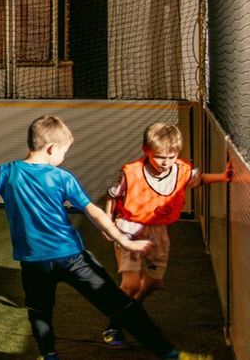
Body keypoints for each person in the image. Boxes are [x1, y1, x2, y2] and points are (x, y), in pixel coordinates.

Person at [0, 115, 210, 360]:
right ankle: (168, 354)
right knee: (119, 305)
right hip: (72, 258)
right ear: (52, 148)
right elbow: (93, 211)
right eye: (64, 151)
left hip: (33, 262)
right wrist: (124, 240)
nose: (63, 157)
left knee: (39, 311)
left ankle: (49, 355)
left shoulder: (7, 171)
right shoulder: (62, 177)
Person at [100, 123, 235, 349]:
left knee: (154, 283)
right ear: (146, 150)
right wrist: (107, 223)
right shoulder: (130, 172)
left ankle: (131, 311)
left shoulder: (181, 169)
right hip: (129, 229)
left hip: (158, 230)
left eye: (171, 157)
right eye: (160, 157)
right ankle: (114, 325)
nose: (166, 162)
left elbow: (197, 178)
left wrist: (222, 176)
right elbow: (112, 196)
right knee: (131, 284)